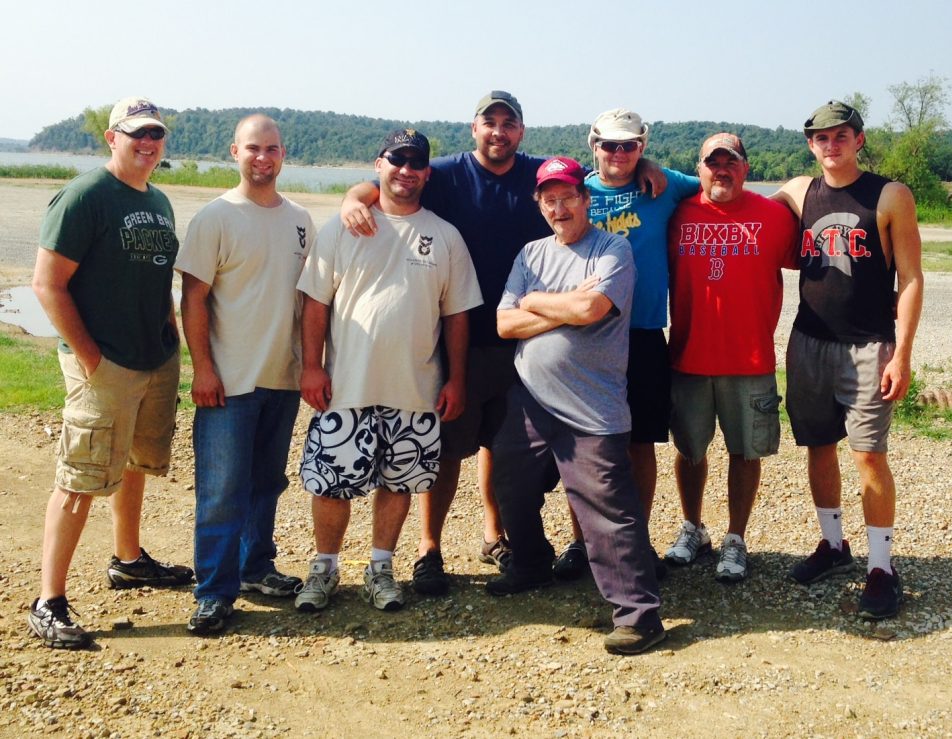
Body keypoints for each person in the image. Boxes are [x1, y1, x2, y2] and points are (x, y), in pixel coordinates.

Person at [340, 92, 664, 595]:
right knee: (447, 448)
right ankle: (431, 549)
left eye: (508, 124)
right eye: (489, 122)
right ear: (474, 128)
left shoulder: (538, 174)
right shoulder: (446, 172)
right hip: (457, 331)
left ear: (521, 132)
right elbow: (392, 177)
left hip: (520, 344)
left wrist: (646, 162)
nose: (498, 132)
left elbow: (598, 170)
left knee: (505, 446)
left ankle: (504, 538)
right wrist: (352, 199)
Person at [294, 129, 482, 614]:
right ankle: (324, 568)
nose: (407, 170)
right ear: (378, 164)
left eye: (416, 162)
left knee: (399, 483)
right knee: (333, 483)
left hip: (416, 389)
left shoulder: (444, 235)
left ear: (427, 172)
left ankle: (382, 568)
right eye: (397, 160)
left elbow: (457, 315)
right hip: (346, 386)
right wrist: (310, 367)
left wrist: (456, 378)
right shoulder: (343, 225)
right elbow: (314, 302)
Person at [28, 97, 192, 649]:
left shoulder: (161, 200)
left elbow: (156, 277)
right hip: (104, 363)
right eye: (136, 134)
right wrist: (90, 357)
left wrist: (169, 332)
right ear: (111, 137)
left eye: (156, 135)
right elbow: (47, 284)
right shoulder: (85, 196)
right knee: (81, 477)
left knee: (134, 464)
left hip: (153, 356)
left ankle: (128, 559)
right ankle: (48, 599)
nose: (147, 144)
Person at [487, 157, 665, 655]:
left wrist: (533, 303)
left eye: (568, 197)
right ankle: (530, 564)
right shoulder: (530, 253)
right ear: (539, 204)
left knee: (608, 508)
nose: (560, 207)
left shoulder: (613, 249)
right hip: (529, 397)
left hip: (592, 403)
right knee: (511, 484)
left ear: (586, 200)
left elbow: (591, 310)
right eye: (550, 199)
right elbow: (504, 324)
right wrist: (556, 303)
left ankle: (639, 615)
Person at [774, 101, 924, 619]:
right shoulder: (798, 191)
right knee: (818, 446)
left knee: (868, 454)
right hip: (809, 340)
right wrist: (663, 175)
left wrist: (901, 354)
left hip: (869, 344)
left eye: (841, 136)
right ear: (810, 145)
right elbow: (732, 203)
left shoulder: (889, 195)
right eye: (821, 138)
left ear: (859, 139)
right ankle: (834, 545)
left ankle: (881, 567)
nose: (831, 145)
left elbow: (912, 279)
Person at [176, 114, 314, 635]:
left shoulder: (300, 219)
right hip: (228, 382)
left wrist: (309, 365)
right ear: (235, 151)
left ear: (284, 154)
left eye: (272, 148)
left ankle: (256, 568)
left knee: (266, 484)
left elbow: (307, 300)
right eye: (253, 148)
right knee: (220, 491)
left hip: (281, 378)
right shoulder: (215, 217)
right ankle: (213, 591)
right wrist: (203, 369)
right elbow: (194, 298)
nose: (263, 157)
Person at [553, 108, 700, 581]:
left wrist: (653, 169)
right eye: (610, 145)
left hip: (642, 332)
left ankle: (636, 542)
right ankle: (580, 542)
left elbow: (720, 185)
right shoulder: (575, 190)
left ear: (643, 146)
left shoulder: (667, 184)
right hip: (584, 334)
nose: (619, 154)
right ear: (592, 145)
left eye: (630, 146)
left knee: (640, 443)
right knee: (585, 444)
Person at [664, 132, 798, 582]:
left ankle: (736, 537)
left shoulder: (774, 217)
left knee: (745, 452)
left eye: (731, 162)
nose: (721, 169)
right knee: (690, 450)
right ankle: (693, 527)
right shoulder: (677, 214)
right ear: (698, 169)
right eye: (712, 162)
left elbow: (822, 257)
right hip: (688, 357)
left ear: (745, 168)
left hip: (750, 358)